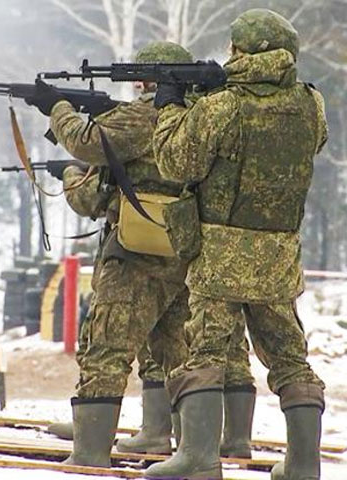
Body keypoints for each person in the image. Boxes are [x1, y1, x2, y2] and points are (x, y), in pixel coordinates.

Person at [26, 41, 256, 467]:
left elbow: (85, 140)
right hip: (186, 252)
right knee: (182, 353)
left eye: (141, 78)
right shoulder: (204, 118)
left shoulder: (145, 115)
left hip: (137, 251)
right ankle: (195, 453)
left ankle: (90, 453)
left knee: (107, 346)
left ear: (154, 79)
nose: (136, 85)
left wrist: (57, 108)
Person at [144, 9, 327, 480]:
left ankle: (200, 458)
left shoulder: (223, 107)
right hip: (278, 254)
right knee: (289, 354)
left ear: (240, 51)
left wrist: (169, 107)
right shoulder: (311, 104)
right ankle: (305, 464)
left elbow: (175, 162)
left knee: (205, 350)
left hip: (221, 253)